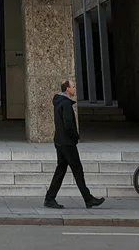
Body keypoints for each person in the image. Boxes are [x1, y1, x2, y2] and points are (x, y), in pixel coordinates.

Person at [44, 78, 104, 209]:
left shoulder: (59, 102)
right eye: (73, 87)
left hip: (60, 141)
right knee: (77, 170)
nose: (74, 89)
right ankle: (88, 199)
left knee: (61, 170)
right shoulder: (65, 104)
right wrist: (76, 136)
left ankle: (50, 198)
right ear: (67, 89)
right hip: (67, 143)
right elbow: (68, 124)